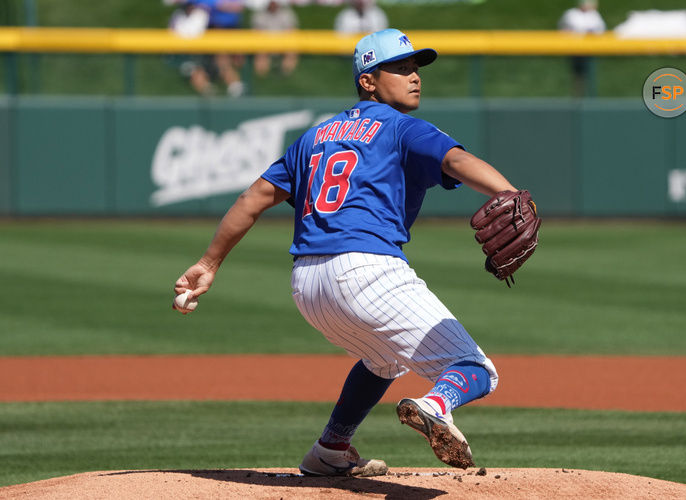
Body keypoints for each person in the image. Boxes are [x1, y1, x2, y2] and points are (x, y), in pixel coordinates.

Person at [173, 28, 520, 476]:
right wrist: (511, 192)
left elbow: (253, 198)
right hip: (367, 271)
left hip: (308, 284)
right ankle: (436, 405)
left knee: (384, 359)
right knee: (474, 368)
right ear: (368, 81)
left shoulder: (314, 136)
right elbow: (455, 161)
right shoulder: (403, 127)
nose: (414, 76)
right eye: (399, 67)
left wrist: (208, 263)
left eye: (415, 67)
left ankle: (329, 450)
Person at [167, 0, 247, 97]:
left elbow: (236, 7)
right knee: (195, 69)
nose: (188, 8)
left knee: (223, 60)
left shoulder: (201, 15)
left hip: (207, 47)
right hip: (189, 52)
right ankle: (210, 94)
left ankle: (235, 87)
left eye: (190, 5)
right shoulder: (178, 16)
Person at [558, 0, 606, 97]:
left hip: (589, 50)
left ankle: (585, 97)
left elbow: (601, 31)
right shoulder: (571, 14)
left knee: (588, 75)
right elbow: (563, 29)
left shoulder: (594, 15)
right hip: (574, 49)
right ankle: (577, 97)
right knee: (577, 74)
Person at [251, 0, 299, 77]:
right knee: (260, 52)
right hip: (265, 43)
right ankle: (261, 76)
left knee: (291, 51)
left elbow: (291, 31)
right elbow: (257, 33)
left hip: (283, 42)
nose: (273, 4)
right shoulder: (260, 14)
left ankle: (286, 74)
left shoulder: (286, 13)